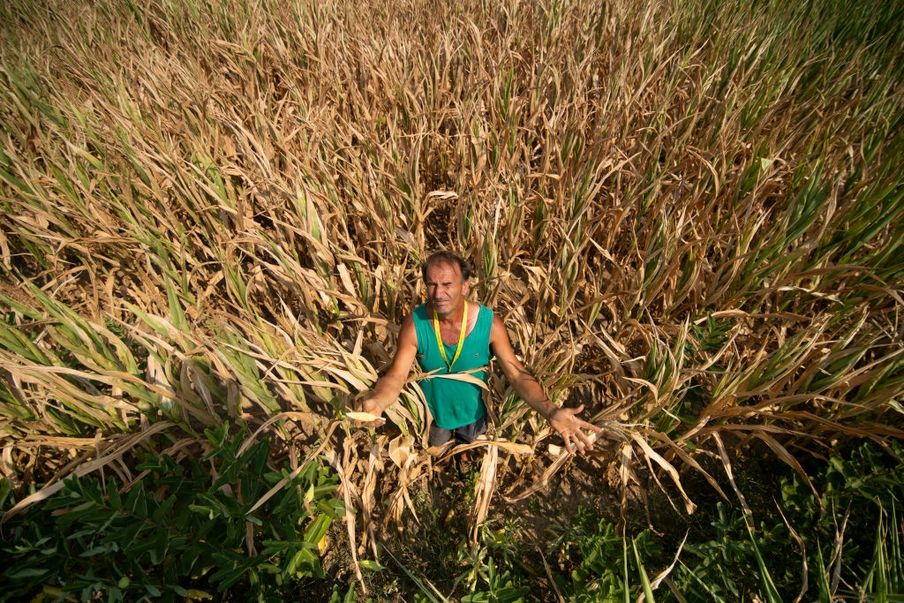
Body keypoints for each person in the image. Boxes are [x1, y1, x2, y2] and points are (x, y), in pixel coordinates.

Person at [360, 251, 601, 454]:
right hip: (434, 416)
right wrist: (378, 401)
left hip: (474, 414)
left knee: (472, 447)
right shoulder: (415, 324)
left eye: (447, 284)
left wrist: (550, 411)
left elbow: (516, 374)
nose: (438, 293)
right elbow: (397, 376)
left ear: (465, 286)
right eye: (431, 284)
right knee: (437, 451)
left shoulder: (489, 324)